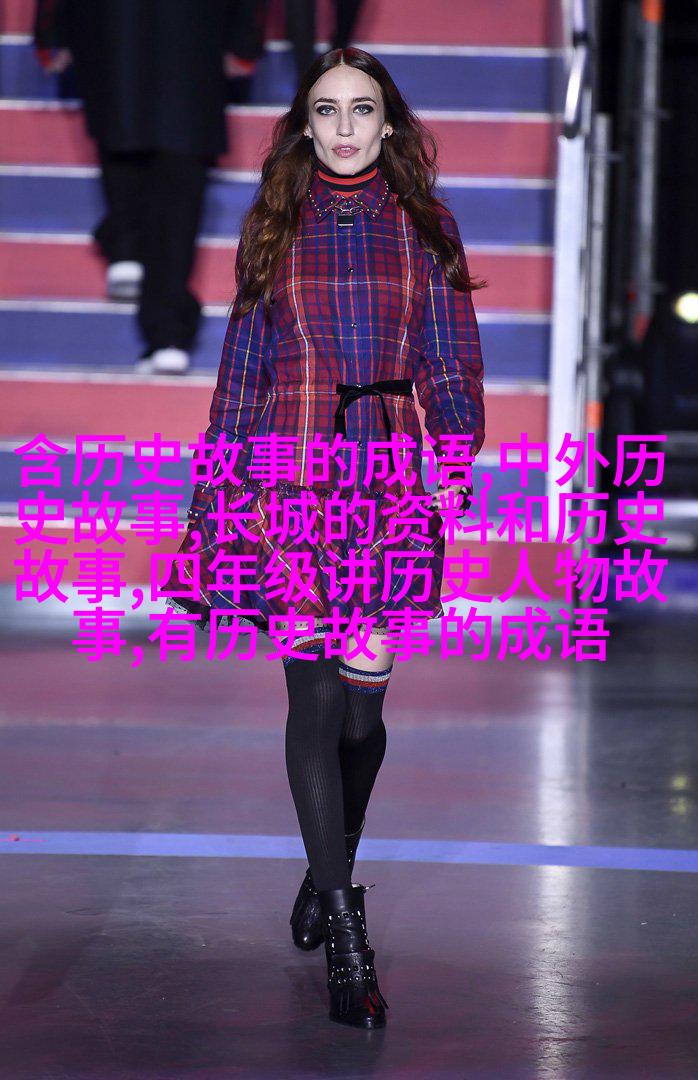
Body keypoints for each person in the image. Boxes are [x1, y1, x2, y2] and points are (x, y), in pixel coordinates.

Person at [162, 46, 486, 1029]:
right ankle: (349, 931)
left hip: (386, 473)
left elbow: (451, 359)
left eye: (362, 110)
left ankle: (325, 862)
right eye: (328, 111)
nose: (345, 128)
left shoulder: (426, 226)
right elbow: (241, 368)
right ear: (306, 125)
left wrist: (455, 451)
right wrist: (215, 491)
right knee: (311, 695)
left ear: (390, 124)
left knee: (361, 707)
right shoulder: (274, 224)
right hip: (289, 473)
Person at [33, 0, 256, 375]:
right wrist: (245, 38)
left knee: (121, 109)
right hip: (191, 34)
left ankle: (126, 246)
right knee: (179, 157)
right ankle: (168, 330)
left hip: (113, 26)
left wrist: (52, 31)